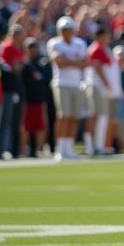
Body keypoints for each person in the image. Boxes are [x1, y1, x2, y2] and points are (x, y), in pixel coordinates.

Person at [47, 16, 88, 161]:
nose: (66, 32)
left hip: (76, 84)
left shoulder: (79, 43)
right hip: (61, 84)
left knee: (74, 117)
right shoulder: (54, 43)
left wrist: (69, 60)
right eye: (64, 29)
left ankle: (69, 147)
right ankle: (60, 148)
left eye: (69, 29)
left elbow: (85, 63)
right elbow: (59, 62)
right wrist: (75, 62)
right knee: (63, 115)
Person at [86, 26, 117, 155]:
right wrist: (107, 84)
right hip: (97, 86)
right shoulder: (97, 48)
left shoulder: (103, 48)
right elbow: (98, 68)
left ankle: (98, 145)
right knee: (98, 116)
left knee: (101, 116)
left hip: (101, 87)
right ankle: (94, 146)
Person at [0, 24, 25, 158]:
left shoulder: (18, 48)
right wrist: (19, 63)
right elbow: (16, 68)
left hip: (17, 88)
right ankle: (2, 149)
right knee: (6, 121)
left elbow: (20, 64)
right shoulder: (8, 47)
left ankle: (15, 150)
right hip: (8, 88)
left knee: (16, 121)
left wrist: (19, 63)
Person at [20, 38, 49, 158]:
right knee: (25, 126)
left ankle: (38, 149)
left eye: (34, 47)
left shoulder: (41, 62)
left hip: (39, 99)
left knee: (40, 126)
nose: (32, 49)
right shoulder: (24, 63)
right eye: (30, 47)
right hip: (26, 100)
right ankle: (23, 150)